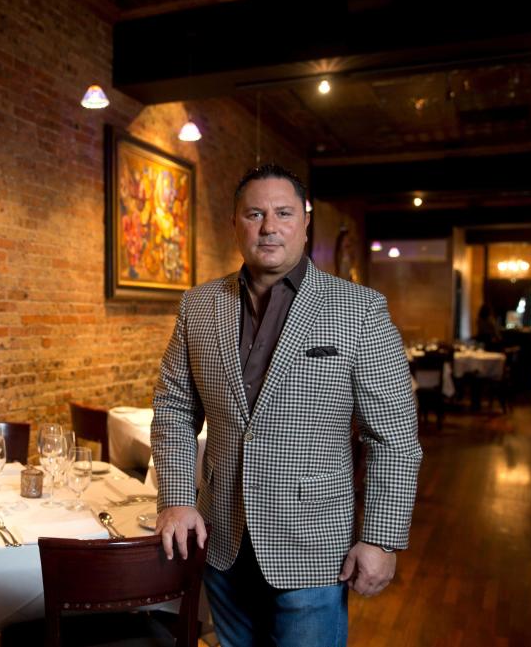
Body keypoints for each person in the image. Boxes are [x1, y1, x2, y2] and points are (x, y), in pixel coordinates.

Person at [150, 163, 422, 646]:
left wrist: (380, 538)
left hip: (313, 545)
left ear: (304, 221)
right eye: (255, 214)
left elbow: (394, 436)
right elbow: (173, 407)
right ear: (235, 223)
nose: (269, 227)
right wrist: (175, 497)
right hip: (222, 540)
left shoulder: (360, 309)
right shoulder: (197, 305)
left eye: (283, 213)